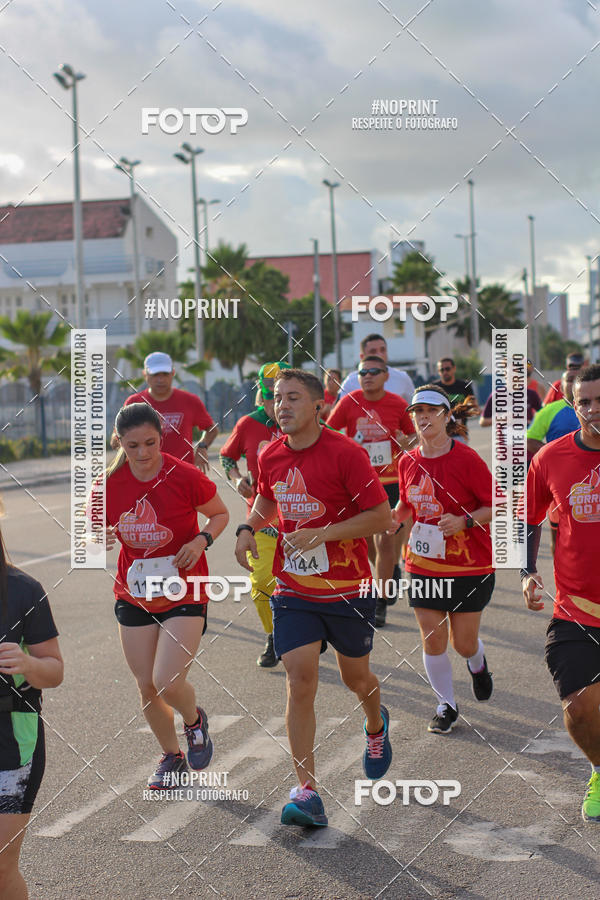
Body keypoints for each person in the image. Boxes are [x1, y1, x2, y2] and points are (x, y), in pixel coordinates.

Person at [235, 369, 393, 827]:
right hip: (294, 588)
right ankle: (307, 791)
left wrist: (324, 533)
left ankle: (375, 723)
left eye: (293, 397)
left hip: (347, 589)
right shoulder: (271, 454)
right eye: (277, 398)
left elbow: (381, 517)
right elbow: (267, 499)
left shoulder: (346, 453)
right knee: (299, 680)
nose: (282, 405)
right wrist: (248, 527)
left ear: (318, 405)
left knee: (357, 678)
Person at [102, 402, 228, 789]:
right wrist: (97, 538)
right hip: (134, 594)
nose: (142, 453)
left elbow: (220, 514)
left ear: (161, 438)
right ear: (119, 442)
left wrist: (201, 540)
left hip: (184, 589)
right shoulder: (107, 484)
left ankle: (194, 720)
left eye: (150, 443)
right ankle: (171, 756)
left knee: (168, 681)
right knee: (147, 686)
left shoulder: (184, 475)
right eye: (133, 445)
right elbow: (92, 532)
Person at [391, 385, 495, 734]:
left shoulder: (466, 459)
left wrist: (464, 521)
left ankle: (477, 662)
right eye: (417, 412)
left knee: (462, 644)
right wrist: (394, 517)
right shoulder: (407, 461)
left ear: (447, 416)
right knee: (432, 638)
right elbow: (406, 502)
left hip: (469, 564)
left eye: (431, 411)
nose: (423, 417)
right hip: (423, 562)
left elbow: (496, 505)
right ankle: (445, 705)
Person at [522, 364, 600, 823]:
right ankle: (599, 769)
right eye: (584, 401)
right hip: (577, 607)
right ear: (573, 405)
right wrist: (527, 572)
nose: (593, 409)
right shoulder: (551, 458)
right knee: (578, 705)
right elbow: (528, 517)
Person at [326, 355, 417, 626]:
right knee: (368, 542)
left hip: (390, 482)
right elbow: (328, 430)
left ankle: (380, 602)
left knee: (385, 540)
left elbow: (414, 435)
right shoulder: (349, 401)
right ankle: (389, 572)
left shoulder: (397, 403)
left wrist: (407, 441)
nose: (367, 376)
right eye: (363, 372)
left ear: (386, 376)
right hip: (359, 482)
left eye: (374, 371)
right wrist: (347, 446)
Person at [0, 515, 63, 898]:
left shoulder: (23, 590)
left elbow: (54, 671)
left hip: (12, 745)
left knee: (1, 868)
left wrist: (27, 664)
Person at [220, 362, 289, 667]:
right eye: (272, 397)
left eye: (286, 396)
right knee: (261, 582)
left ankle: (308, 632)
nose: (279, 405)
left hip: (303, 521)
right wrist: (237, 479)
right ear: (263, 396)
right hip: (261, 519)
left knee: (302, 583)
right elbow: (226, 456)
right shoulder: (248, 424)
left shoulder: (309, 424)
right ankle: (274, 635)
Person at [114, 352, 218, 471]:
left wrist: (202, 446)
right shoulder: (134, 402)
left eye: (165, 374)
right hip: (144, 474)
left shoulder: (190, 400)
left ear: (173, 373)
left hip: (182, 472)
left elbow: (212, 429)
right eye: (155, 374)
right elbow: (117, 436)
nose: (160, 380)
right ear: (145, 374)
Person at [527, 370, 580, 554]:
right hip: (559, 482)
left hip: (591, 480)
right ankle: (560, 568)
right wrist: (555, 458)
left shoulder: (594, 410)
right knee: (557, 535)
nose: (573, 383)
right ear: (561, 386)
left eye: (577, 379)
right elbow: (530, 439)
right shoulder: (549, 411)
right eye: (569, 380)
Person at [337, 334, 414, 404]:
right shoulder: (351, 382)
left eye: (382, 350)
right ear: (362, 357)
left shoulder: (402, 378)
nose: (379, 355)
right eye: (373, 351)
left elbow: (413, 409)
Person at [433, 358, 480, 441]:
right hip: (440, 434)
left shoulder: (464, 385)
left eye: (447, 369)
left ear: (454, 368)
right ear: (438, 371)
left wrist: (472, 410)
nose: (445, 372)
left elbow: (474, 406)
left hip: (460, 434)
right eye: (442, 370)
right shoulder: (434, 388)